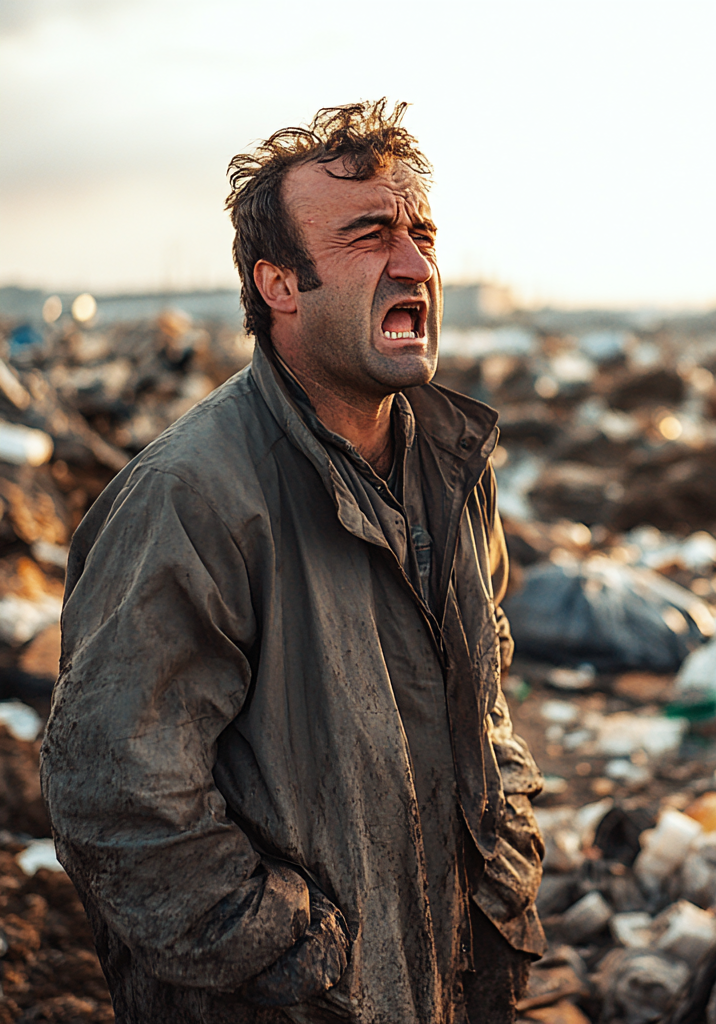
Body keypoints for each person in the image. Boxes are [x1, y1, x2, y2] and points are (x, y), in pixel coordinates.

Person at [40, 100, 546, 1024]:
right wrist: (295, 960)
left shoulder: (453, 471)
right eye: (370, 235)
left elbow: (487, 707)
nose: (415, 263)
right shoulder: (194, 498)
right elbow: (115, 796)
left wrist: (504, 871)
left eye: (422, 232)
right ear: (280, 284)